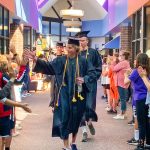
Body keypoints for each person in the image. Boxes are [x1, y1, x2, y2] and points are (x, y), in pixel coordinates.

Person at [23, 38, 96, 150]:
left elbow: (92, 73)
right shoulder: (61, 60)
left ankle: (74, 142)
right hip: (64, 95)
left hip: (78, 95)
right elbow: (48, 66)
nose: (67, 48)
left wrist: (84, 78)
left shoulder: (83, 61)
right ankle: (66, 146)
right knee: (64, 118)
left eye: (70, 47)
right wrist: (36, 59)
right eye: (67, 46)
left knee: (76, 119)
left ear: (76, 49)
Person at [76, 31, 102, 142]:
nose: (81, 42)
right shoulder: (76, 54)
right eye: (79, 41)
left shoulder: (93, 53)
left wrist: (87, 79)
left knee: (89, 105)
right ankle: (84, 131)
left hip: (90, 84)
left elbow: (98, 69)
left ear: (87, 41)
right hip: (78, 84)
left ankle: (90, 122)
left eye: (83, 40)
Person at [124, 53, 150, 150]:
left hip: (139, 99)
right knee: (147, 122)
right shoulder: (148, 70)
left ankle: (140, 144)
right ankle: (148, 143)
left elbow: (126, 82)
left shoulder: (136, 71)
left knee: (141, 123)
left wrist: (126, 75)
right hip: (147, 99)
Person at [112, 50, 130, 120]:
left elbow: (114, 69)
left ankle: (122, 114)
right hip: (123, 82)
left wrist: (114, 62)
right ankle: (123, 113)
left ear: (123, 56)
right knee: (123, 98)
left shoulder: (123, 62)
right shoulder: (125, 62)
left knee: (122, 99)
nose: (119, 56)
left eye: (120, 55)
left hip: (121, 83)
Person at [49, 41, 65, 108]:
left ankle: (60, 105)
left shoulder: (64, 58)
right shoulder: (52, 57)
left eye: (60, 47)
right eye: (58, 47)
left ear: (62, 48)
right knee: (53, 92)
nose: (59, 48)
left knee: (60, 92)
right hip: (54, 77)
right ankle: (54, 105)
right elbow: (49, 67)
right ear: (56, 48)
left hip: (61, 78)